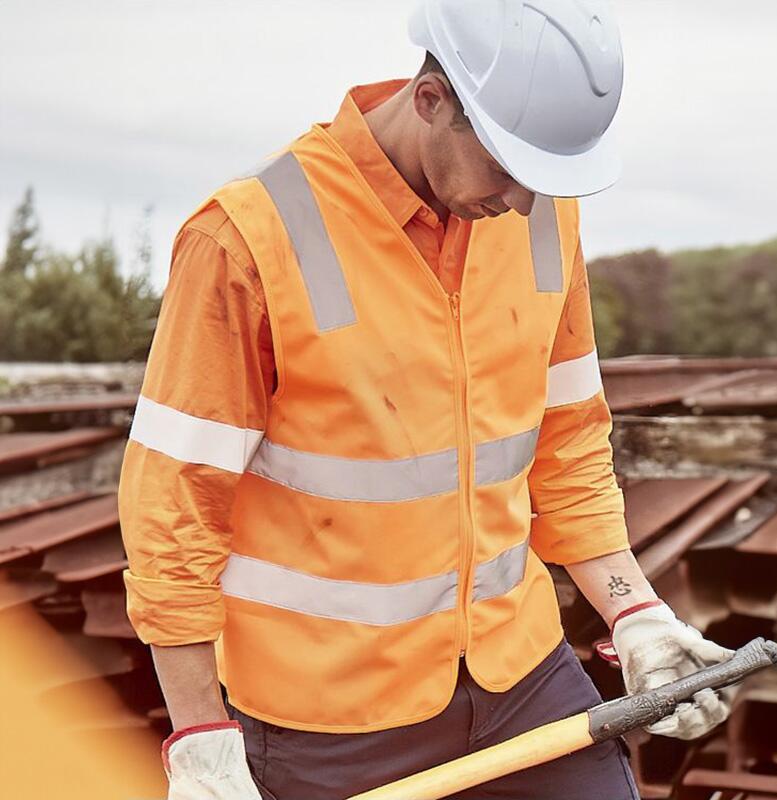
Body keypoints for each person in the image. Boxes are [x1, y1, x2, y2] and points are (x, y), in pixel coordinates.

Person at [118, 2, 735, 798]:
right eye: (509, 166)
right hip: (325, 725)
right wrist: (201, 736)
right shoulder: (247, 238)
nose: (522, 200)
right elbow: (174, 510)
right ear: (432, 99)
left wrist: (633, 611)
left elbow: (568, 442)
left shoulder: (543, 212)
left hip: (522, 680)